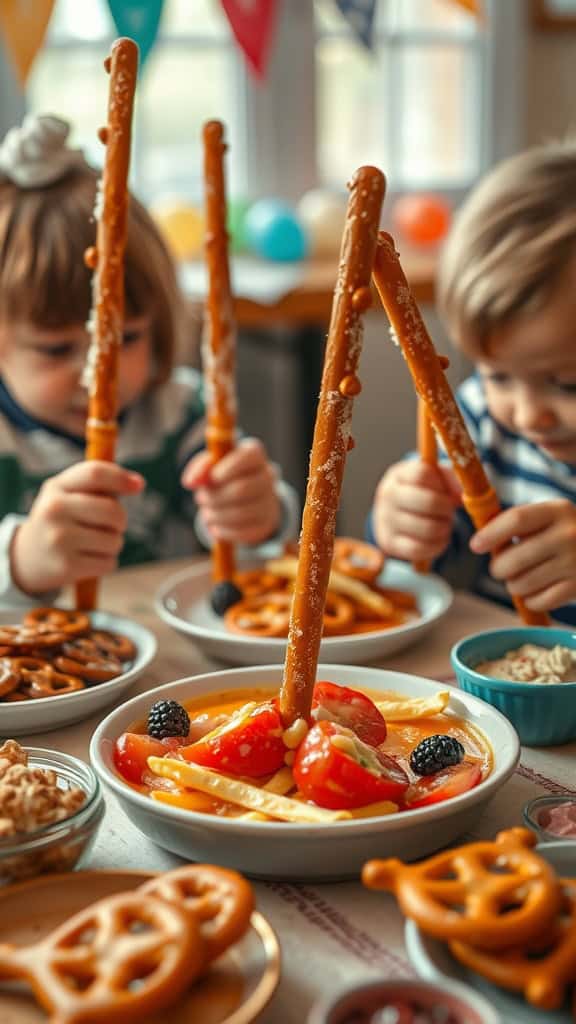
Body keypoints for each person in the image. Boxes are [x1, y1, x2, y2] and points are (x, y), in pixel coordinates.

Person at [0, 115, 299, 606]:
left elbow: (268, 536)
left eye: (127, 339)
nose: (99, 376)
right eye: (56, 349)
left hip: (166, 660)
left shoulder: (179, 410)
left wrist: (259, 513)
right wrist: (21, 561)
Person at [371, 140, 576, 624]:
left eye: (568, 384)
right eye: (497, 374)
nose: (527, 415)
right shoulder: (482, 417)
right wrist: (405, 523)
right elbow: (439, 560)